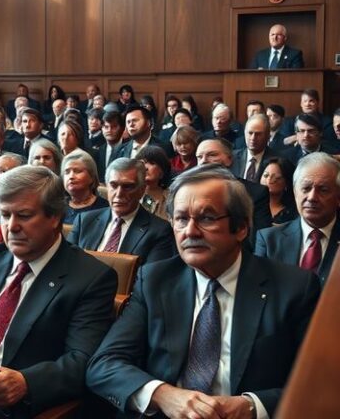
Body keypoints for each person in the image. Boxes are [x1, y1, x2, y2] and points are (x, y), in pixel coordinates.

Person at [86, 165, 320, 418]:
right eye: (181, 219)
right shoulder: (155, 280)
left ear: (241, 227)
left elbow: (319, 384)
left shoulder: (293, 287)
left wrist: (252, 406)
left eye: (207, 218)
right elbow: (104, 364)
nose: (190, 231)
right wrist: (164, 395)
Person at [0, 165, 117, 417]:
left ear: (55, 217)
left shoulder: (91, 278)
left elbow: (81, 360)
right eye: (5, 215)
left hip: (7, 406)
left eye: (24, 216)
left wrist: (27, 382)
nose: (11, 226)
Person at [255, 152, 340, 288]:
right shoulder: (269, 240)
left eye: (323, 190)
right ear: (295, 192)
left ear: (338, 197)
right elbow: (257, 293)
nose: (312, 197)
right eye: (306, 188)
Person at [68, 158, 174, 264]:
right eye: (113, 185)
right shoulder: (84, 221)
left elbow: (150, 278)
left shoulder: (159, 232)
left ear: (142, 190)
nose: (119, 194)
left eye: (127, 187)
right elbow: (65, 264)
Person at [196, 138, 272, 246]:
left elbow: (260, 239)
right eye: (199, 157)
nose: (203, 161)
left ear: (229, 159)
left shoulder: (255, 193)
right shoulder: (189, 192)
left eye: (212, 155)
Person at [61, 149, 108, 225]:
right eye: (67, 172)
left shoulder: (105, 208)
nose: (71, 176)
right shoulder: (57, 208)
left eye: (77, 171)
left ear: (92, 177)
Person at [231, 114, 279, 182]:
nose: (253, 138)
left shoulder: (278, 160)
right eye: (250, 133)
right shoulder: (232, 158)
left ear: (268, 136)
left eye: (258, 134)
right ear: (244, 133)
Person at [136, 145, 172, 221]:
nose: (145, 167)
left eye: (152, 163)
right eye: (142, 162)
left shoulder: (171, 197)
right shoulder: (129, 193)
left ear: (162, 171)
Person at [259, 157, 299, 226]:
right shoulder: (251, 205)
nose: (269, 180)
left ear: (287, 183)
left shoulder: (292, 214)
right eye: (265, 175)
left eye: (276, 178)